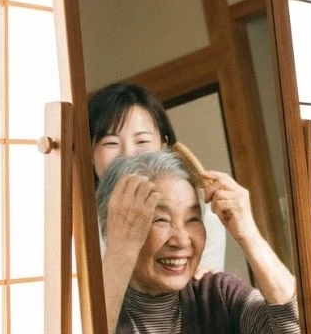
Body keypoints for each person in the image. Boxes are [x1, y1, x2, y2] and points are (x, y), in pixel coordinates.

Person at [96, 150, 300, 334]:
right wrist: (120, 250)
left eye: (193, 219)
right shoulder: (89, 304)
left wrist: (248, 234)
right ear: (116, 226)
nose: (181, 239)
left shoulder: (215, 296)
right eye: (160, 219)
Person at [88, 82, 225, 272]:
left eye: (142, 141)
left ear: (164, 145)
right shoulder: (78, 224)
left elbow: (204, 290)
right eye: (111, 143)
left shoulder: (201, 215)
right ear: (90, 154)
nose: (128, 155)